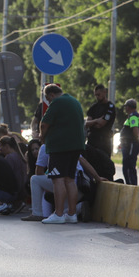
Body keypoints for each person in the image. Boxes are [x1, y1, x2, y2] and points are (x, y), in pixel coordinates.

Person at [39, 83, 87, 224]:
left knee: (57, 179)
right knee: (69, 180)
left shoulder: (57, 102)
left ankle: (59, 214)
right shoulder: (74, 101)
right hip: (76, 146)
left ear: (52, 94)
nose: (48, 101)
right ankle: (71, 214)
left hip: (60, 147)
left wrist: (42, 137)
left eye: (48, 98)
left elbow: (44, 124)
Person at [84, 84, 116, 157]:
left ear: (104, 92)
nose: (97, 97)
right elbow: (87, 124)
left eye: (98, 94)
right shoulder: (93, 107)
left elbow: (101, 124)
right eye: (95, 95)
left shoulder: (109, 107)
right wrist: (96, 120)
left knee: (103, 164)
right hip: (92, 141)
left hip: (103, 141)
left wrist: (93, 122)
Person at [119, 99, 139, 185]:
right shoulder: (131, 116)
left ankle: (131, 185)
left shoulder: (133, 116)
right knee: (127, 166)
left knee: (129, 166)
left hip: (130, 144)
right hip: (127, 144)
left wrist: (137, 140)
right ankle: (130, 184)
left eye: (126, 106)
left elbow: (135, 129)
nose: (125, 108)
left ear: (129, 107)